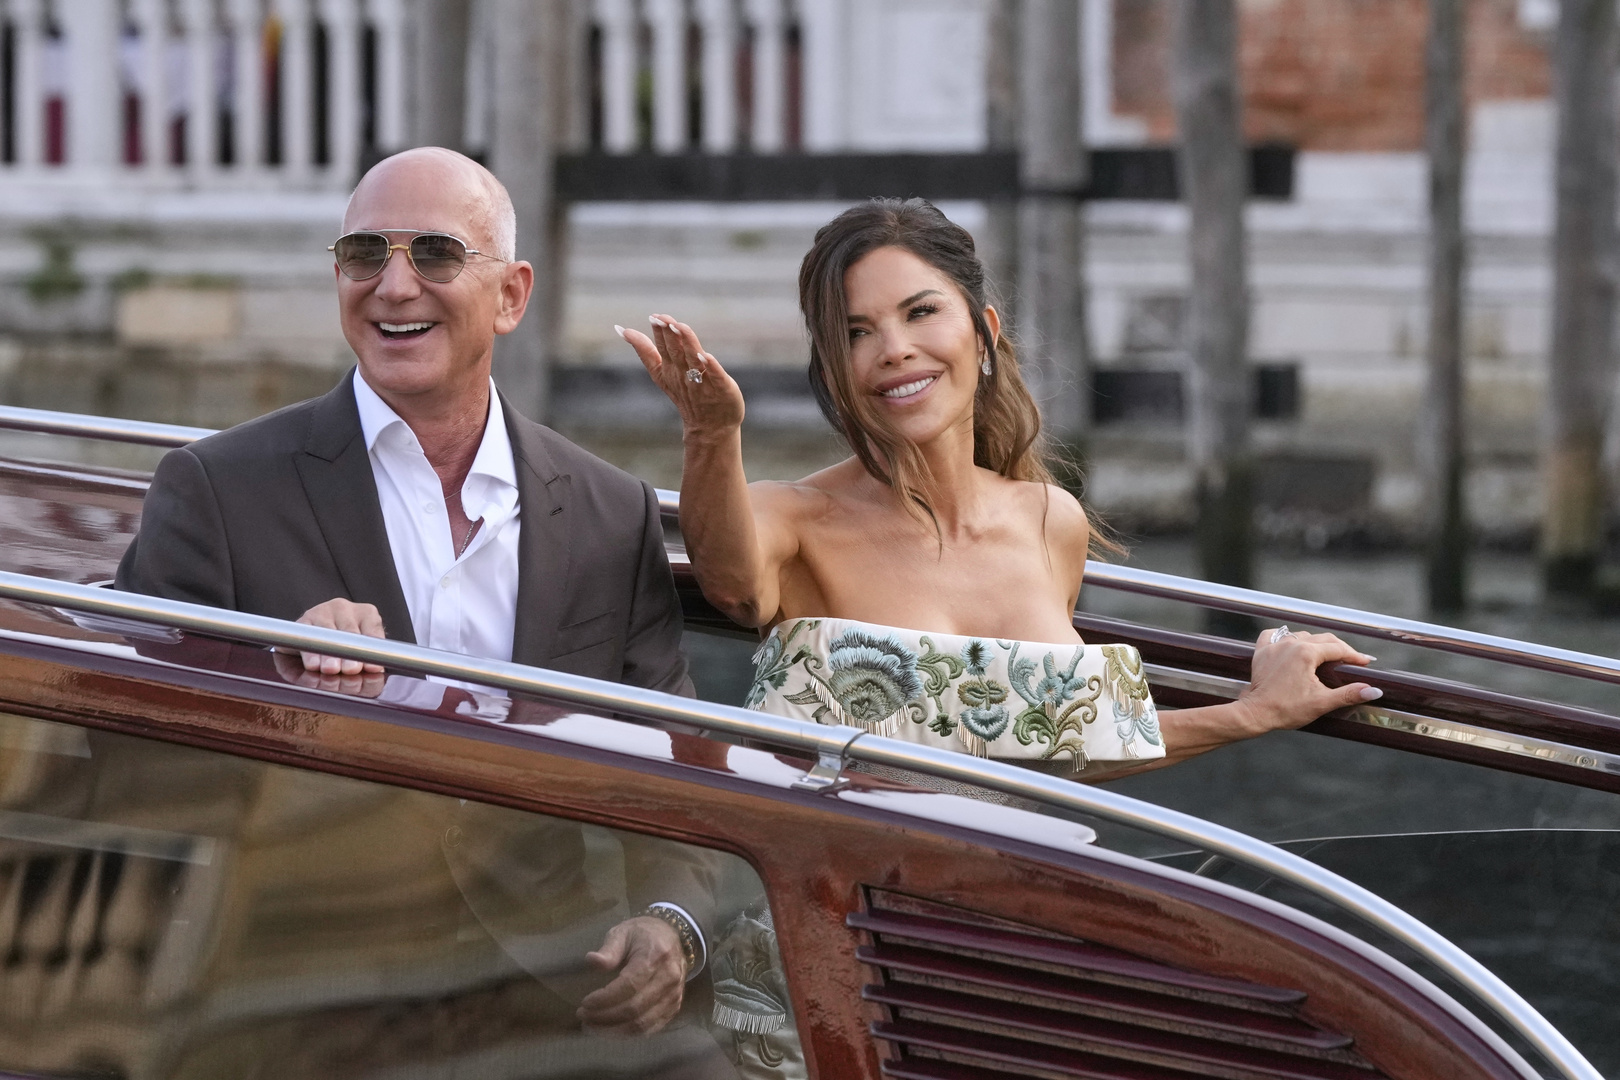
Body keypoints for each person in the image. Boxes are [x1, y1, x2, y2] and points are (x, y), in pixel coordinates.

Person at [115, 147, 718, 1049]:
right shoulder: (216, 489)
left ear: (511, 295)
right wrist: (275, 674)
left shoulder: (610, 511)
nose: (394, 286)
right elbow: (127, 769)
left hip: (557, 1000)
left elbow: (673, 765)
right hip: (290, 1005)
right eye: (365, 254)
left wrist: (670, 926)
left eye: (434, 253)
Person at [622, 197, 1382, 777]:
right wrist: (712, 434)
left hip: (1020, 901)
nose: (895, 349)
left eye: (922, 312)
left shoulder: (1051, 519)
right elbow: (730, 585)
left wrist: (1257, 711)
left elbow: (1067, 749)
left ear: (983, 332)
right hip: (840, 907)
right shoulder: (790, 518)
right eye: (856, 333)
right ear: (831, 371)